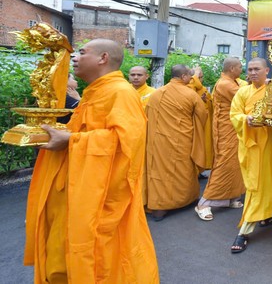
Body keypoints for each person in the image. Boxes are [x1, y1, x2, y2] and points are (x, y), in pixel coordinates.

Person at [25, 39, 159, 283]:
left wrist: (71, 141)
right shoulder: (95, 91)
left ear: (103, 58)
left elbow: (127, 143)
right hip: (76, 190)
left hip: (100, 197)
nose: (75, 57)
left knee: (102, 258)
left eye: (82, 53)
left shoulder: (121, 93)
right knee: (63, 253)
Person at [229, 58, 272, 254]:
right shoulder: (242, 92)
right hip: (251, 144)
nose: (252, 72)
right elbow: (234, 114)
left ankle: (245, 230)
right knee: (257, 183)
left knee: (266, 181)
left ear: (267, 70)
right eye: (250, 69)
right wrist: (246, 119)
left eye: (256, 69)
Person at [144, 64, 208, 221]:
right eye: (190, 76)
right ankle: (187, 199)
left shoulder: (156, 94)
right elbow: (203, 115)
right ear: (184, 77)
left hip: (157, 141)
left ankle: (159, 206)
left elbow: (148, 117)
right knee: (183, 169)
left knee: (158, 172)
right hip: (181, 140)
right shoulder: (190, 94)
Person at [196, 57, 246, 221]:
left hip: (234, 126)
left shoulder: (232, 80)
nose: (241, 70)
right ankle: (204, 202)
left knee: (236, 163)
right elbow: (246, 97)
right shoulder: (225, 84)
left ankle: (230, 197)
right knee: (224, 163)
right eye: (239, 67)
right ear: (232, 68)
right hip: (226, 128)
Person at [188, 66, 215, 170]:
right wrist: (199, 100)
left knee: (204, 145)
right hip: (194, 123)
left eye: (201, 77)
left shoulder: (203, 89)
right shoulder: (189, 88)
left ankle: (201, 167)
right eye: (197, 78)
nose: (200, 80)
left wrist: (206, 101)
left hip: (205, 122)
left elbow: (211, 103)